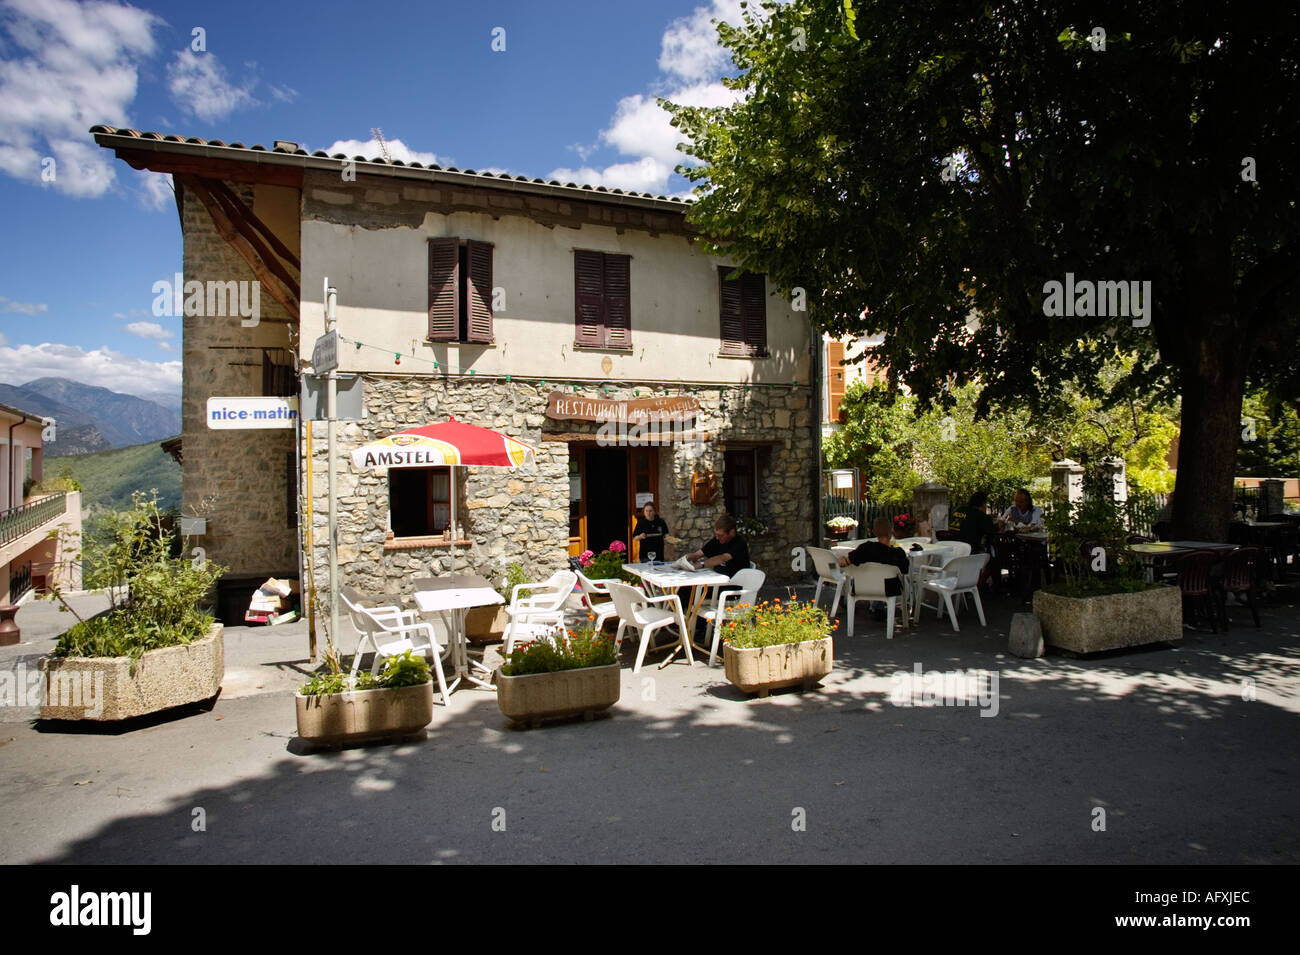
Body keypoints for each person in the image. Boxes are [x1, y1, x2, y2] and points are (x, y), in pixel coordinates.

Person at [837, 516, 910, 597]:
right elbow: (905, 570)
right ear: (891, 531)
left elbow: (845, 562)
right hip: (888, 591)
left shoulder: (865, 548)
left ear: (874, 532)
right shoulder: (898, 553)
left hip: (863, 587)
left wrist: (842, 558)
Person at [687, 513, 750, 579]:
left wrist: (701, 565)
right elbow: (698, 554)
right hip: (718, 578)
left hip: (734, 582)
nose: (717, 538)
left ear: (732, 532)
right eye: (716, 534)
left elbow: (722, 558)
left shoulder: (740, 543)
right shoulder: (718, 539)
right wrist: (683, 561)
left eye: (720, 535)